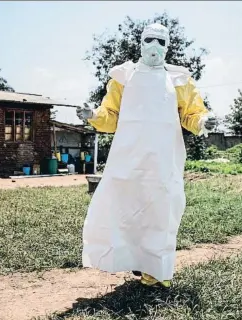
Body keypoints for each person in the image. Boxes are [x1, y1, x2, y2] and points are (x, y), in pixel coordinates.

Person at [76, 23, 217, 288]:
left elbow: (192, 114)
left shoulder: (179, 79)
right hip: (128, 157)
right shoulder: (123, 77)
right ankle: (130, 260)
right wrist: (92, 115)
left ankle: (157, 270)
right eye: (150, 39)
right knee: (125, 207)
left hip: (164, 157)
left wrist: (203, 123)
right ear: (141, 42)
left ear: (168, 46)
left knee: (162, 210)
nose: (155, 46)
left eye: (161, 41)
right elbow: (111, 116)